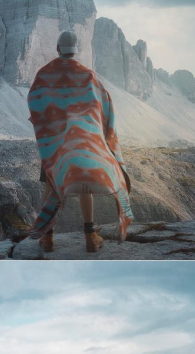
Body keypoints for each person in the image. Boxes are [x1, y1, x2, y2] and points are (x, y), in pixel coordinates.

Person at [26, 29, 133, 253]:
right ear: (76, 51)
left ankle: (47, 237)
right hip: (84, 142)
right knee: (86, 186)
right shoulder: (87, 75)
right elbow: (102, 105)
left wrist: (45, 123)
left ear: (57, 48)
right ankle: (90, 236)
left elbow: (35, 100)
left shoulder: (45, 74)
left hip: (56, 146)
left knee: (51, 182)